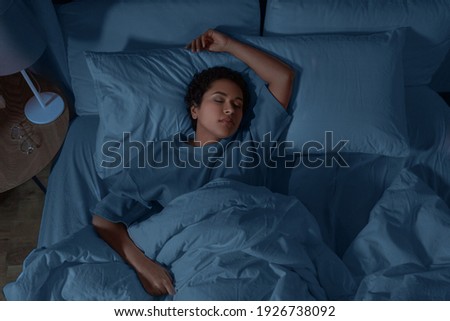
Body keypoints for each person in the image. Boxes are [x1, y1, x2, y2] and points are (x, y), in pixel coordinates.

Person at [91, 29, 294, 296]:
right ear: (195, 109)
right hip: (198, 264)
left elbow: (283, 77)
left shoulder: (251, 141)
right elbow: (104, 220)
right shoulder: (161, 157)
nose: (230, 109)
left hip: (258, 250)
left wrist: (229, 45)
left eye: (237, 104)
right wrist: (143, 266)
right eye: (219, 100)